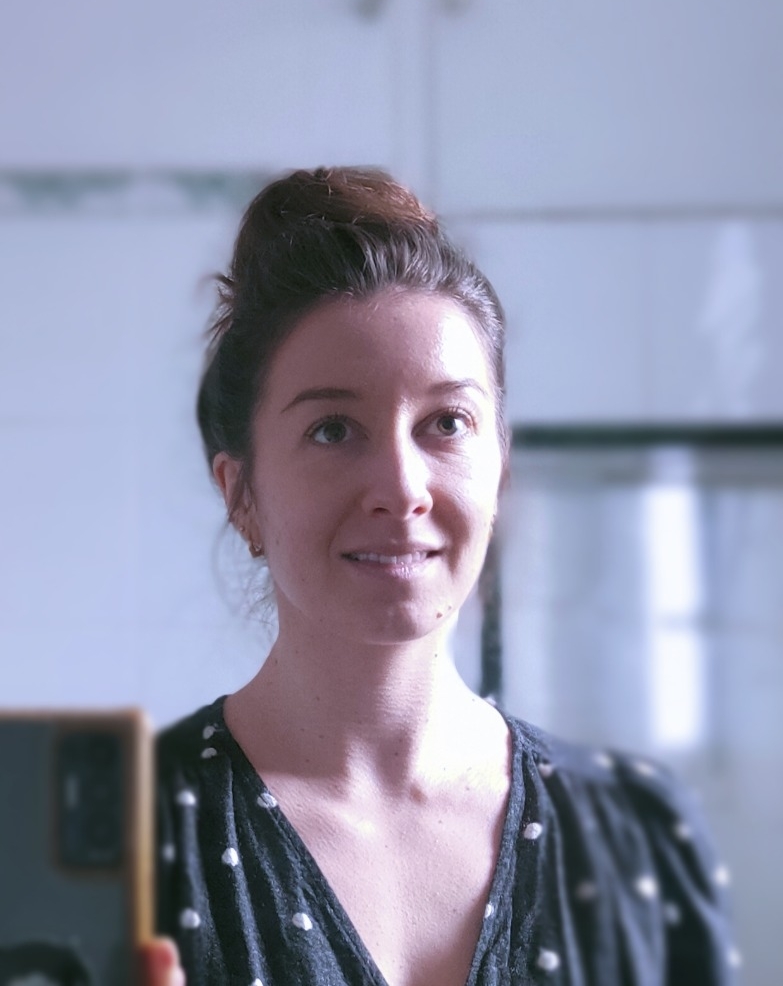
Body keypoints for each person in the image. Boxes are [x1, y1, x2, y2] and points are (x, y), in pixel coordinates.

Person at [144, 167, 739, 986]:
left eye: (446, 423)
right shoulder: (126, 841)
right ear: (240, 492)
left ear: (499, 468)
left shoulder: (636, 833)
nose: (400, 488)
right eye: (332, 430)